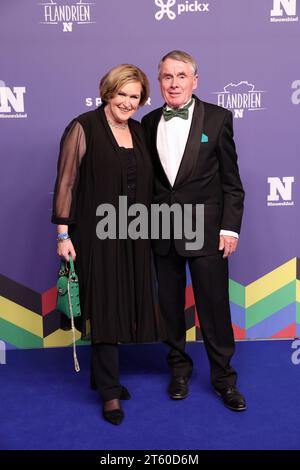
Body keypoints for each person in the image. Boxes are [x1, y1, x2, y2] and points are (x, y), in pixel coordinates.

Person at [52, 64, 164, 425]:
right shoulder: (83, 127)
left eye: (135, 96)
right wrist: (63, 235)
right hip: (95, 233)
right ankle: (110, 393)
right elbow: (67, 183)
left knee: (126, 301)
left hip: (134, 233)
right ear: (108, 92)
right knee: (104, 304)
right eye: (123, 94)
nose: (129, 103)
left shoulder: (139, 130)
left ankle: (104, 377)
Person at [142, 50, 246, 411]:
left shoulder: (218, 119)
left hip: (207, 232)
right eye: (167, 77)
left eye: (181, 76)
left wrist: (230, 228)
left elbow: (232, 182)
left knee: (214, 309)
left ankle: (224, 380)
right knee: (170, 308)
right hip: (162, 231)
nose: (174, 83)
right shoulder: (149, 121)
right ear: (159, 83)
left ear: (195, 81)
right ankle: (179, 371)